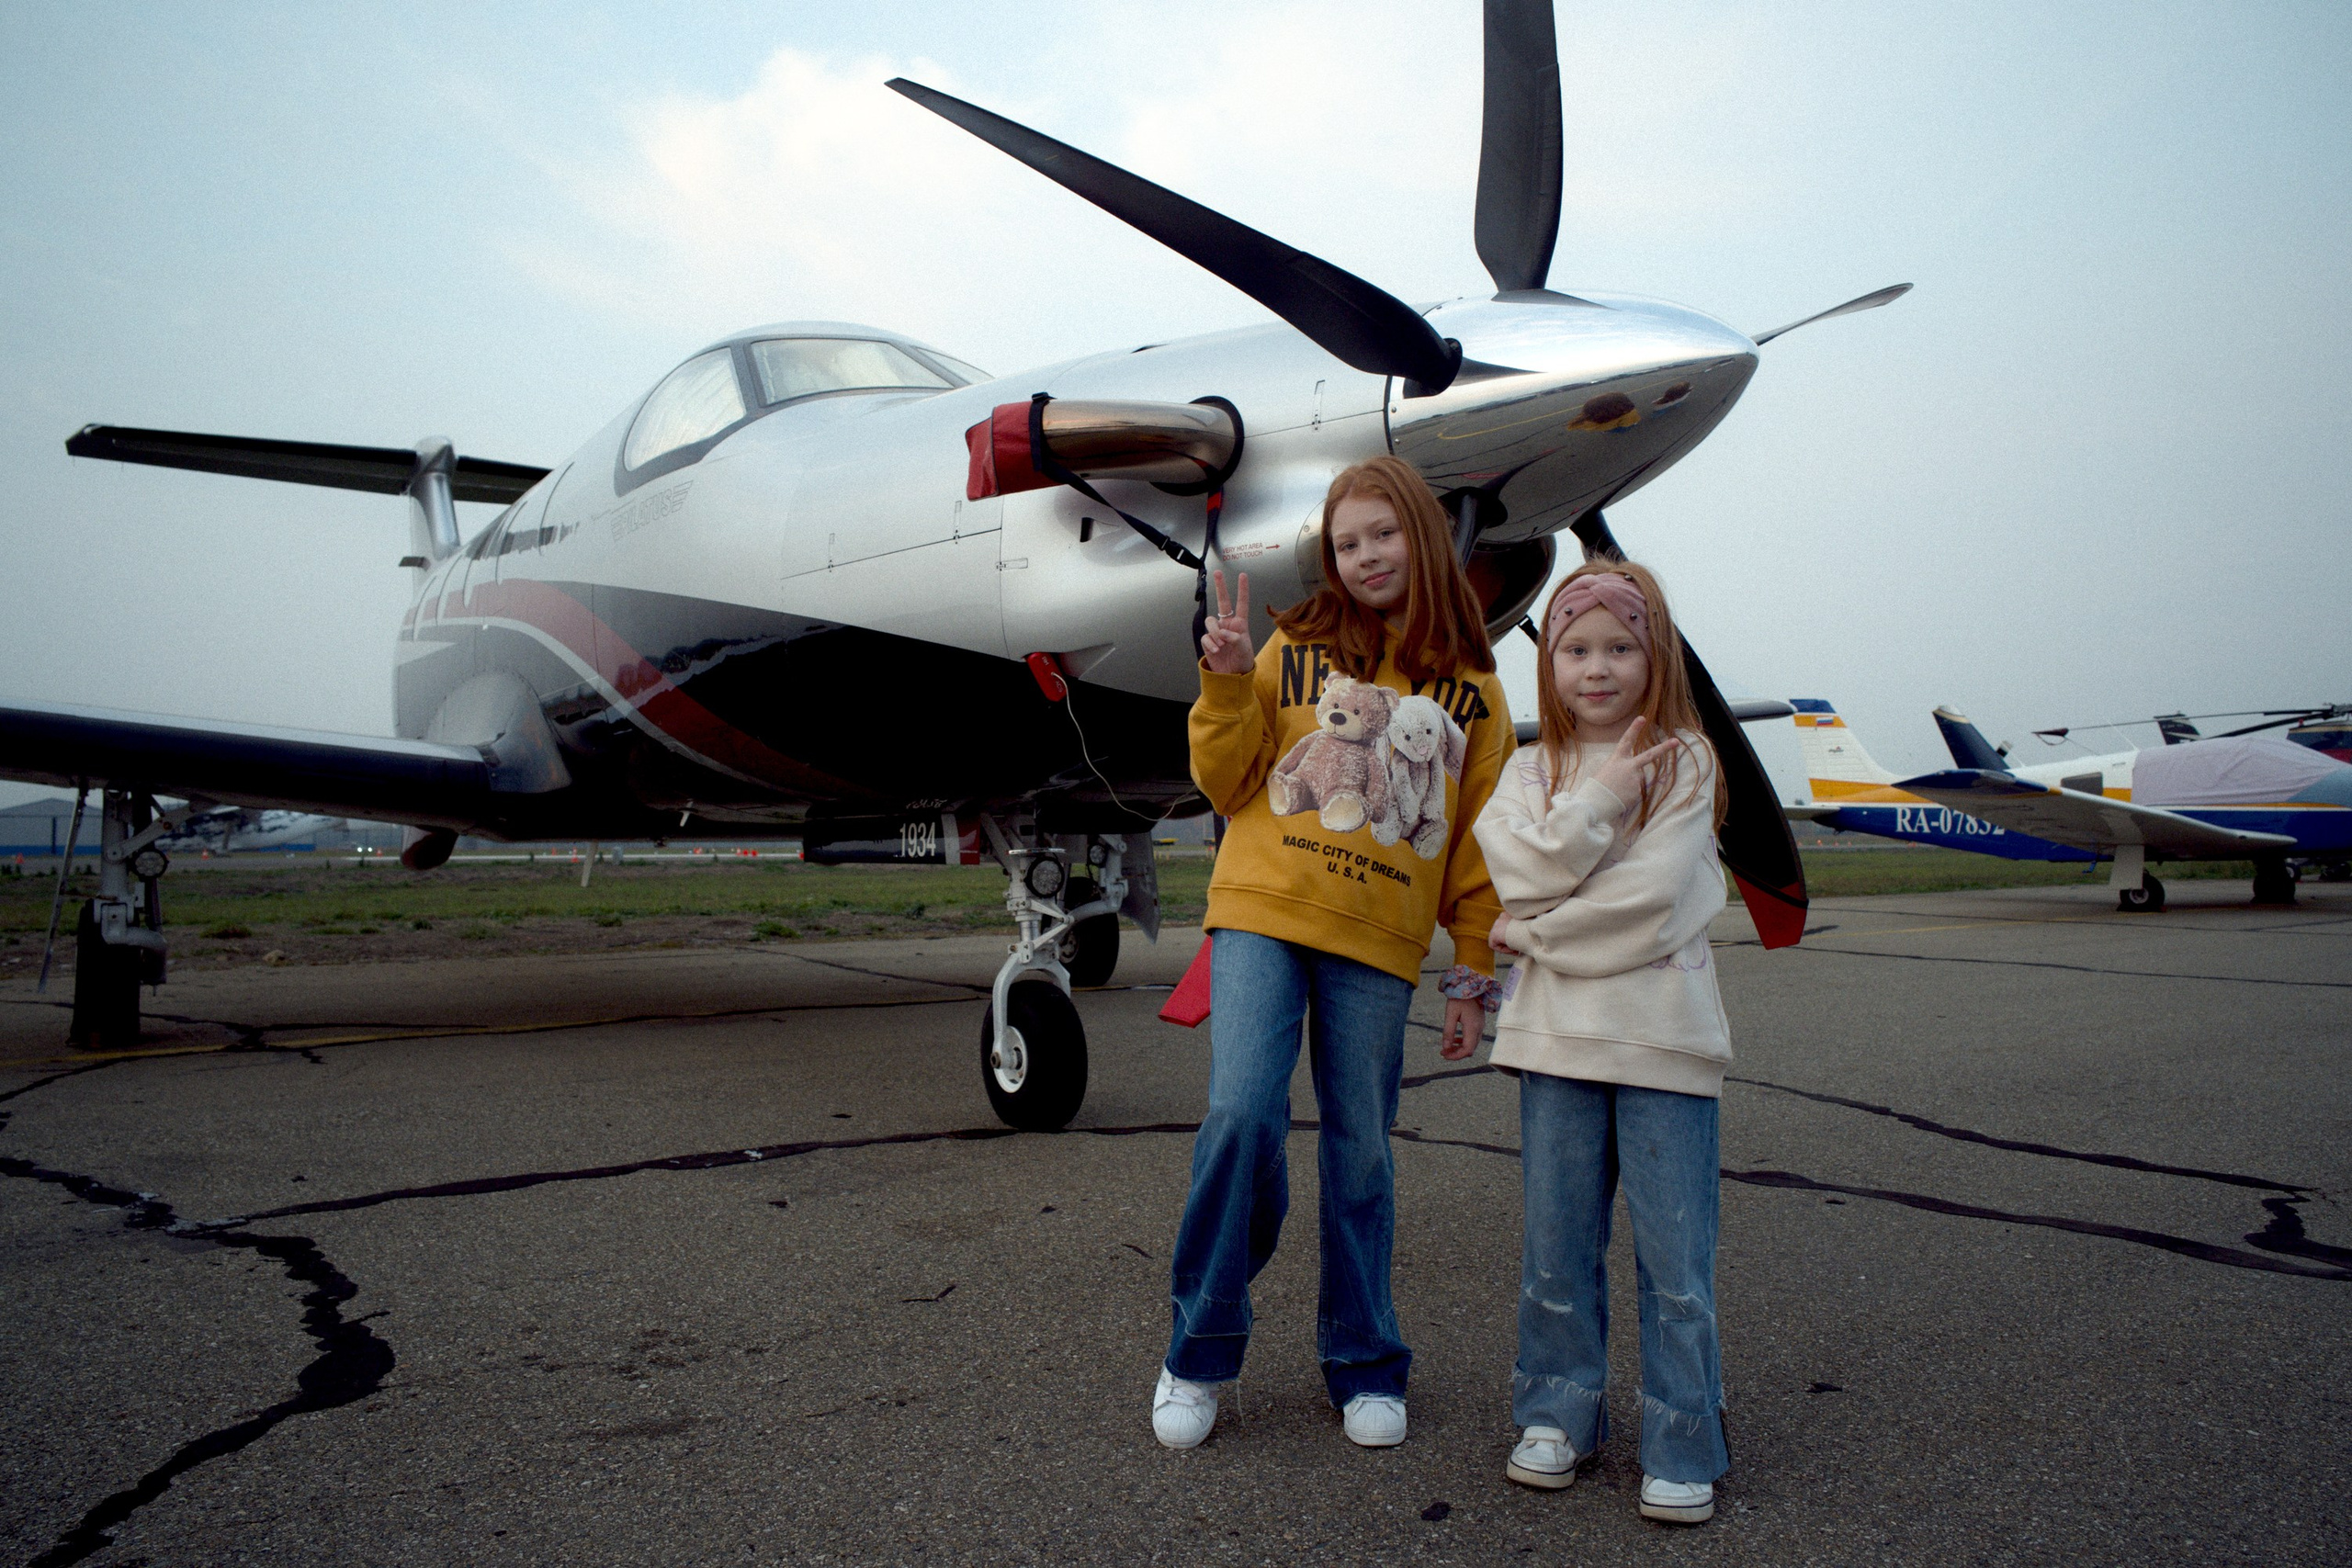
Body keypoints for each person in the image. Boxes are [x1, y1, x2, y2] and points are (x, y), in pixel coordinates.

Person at [1152, 455, 1512, 1451]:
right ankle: (1199, 1347)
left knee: (1361, 1152)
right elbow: (1228, 782)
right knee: (1241, 1117)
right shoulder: (1296, 644)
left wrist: (1473, 970)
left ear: (1423, 538)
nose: (1366, 556)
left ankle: (1363, 1357)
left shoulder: (1476, 692)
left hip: (1378, 943)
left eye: (1384, 534)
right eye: (1347, 542)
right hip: (1262, 911)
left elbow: (1480, 844)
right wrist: (1226, 680)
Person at [1472, 559, 1734, 1524]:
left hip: (1666, 1045)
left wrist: (1534, 933)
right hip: (1557, 1046)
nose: (1596, 667)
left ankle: (1682, 1437)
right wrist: (1600, 803)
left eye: (1620, 647)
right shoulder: (1527, 771)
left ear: (1653, 655)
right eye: (1575, 648)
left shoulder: (1685, 761)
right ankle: (1556, 1413)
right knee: (1555, 1253)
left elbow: (1651, 900)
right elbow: (1515, 871)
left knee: (1675, 1265)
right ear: (1549, 663)